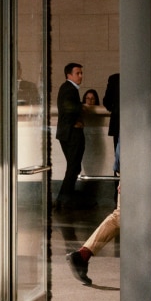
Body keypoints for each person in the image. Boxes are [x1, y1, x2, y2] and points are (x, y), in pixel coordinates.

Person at [69, 182, 120, 287]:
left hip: (139, 174)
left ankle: (83, 254)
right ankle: (83, 254)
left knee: (120, 216)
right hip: (137, 173)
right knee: (121, 216)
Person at [55, 63, 85, 210]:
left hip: (67, 133)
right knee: (73, 167)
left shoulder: (68, 88)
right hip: (71, 134)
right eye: (78, 73)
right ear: (69, 75)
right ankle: (64, 201)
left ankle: (63, 199)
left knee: (73, 167)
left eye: (81, 73)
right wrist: (77, 119)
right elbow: (68, 108)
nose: (80, 76)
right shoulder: (69, 89)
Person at [103, 71, 120, 174]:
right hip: (128, 124)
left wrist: (115, 109)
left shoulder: (114, 78)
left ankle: (117, 188)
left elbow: (107, 101)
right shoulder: (115, 79)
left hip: (118, 124)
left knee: (118, 157)